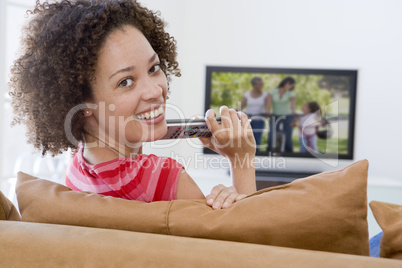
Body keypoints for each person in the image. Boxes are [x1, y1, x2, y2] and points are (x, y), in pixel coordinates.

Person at [9, 0, 256, 210]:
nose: (154, 90)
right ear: (80, 102)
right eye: (125, 81)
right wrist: (242, 161)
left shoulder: (78, 167)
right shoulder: (164, 178)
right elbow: (249, 252)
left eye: (154, 68)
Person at [266, 77, 296, 153]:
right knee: (271, 136)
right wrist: (267, 112)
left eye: (291, 86)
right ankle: (269, 152)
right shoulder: (272, 92)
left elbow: (293, 107)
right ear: (284, 82)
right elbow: (268, 104)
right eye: (289, 84)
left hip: (288, 116)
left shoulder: (291, 94)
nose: (290, 87)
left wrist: (294, 116)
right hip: (275, 116)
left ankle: (289, 153)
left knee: (287, 137)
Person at [239, 77, 268, 148]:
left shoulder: (265, 95)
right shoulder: (247, 94)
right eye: (259, 84)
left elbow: (267, 108)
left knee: (256, 140)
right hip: (248, 119)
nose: (262, 86)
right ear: (254, 85)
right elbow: (241, 107)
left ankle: (256, 155)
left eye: (262, 84)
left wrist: (266, 114)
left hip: (259, 120)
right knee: (246, 139)